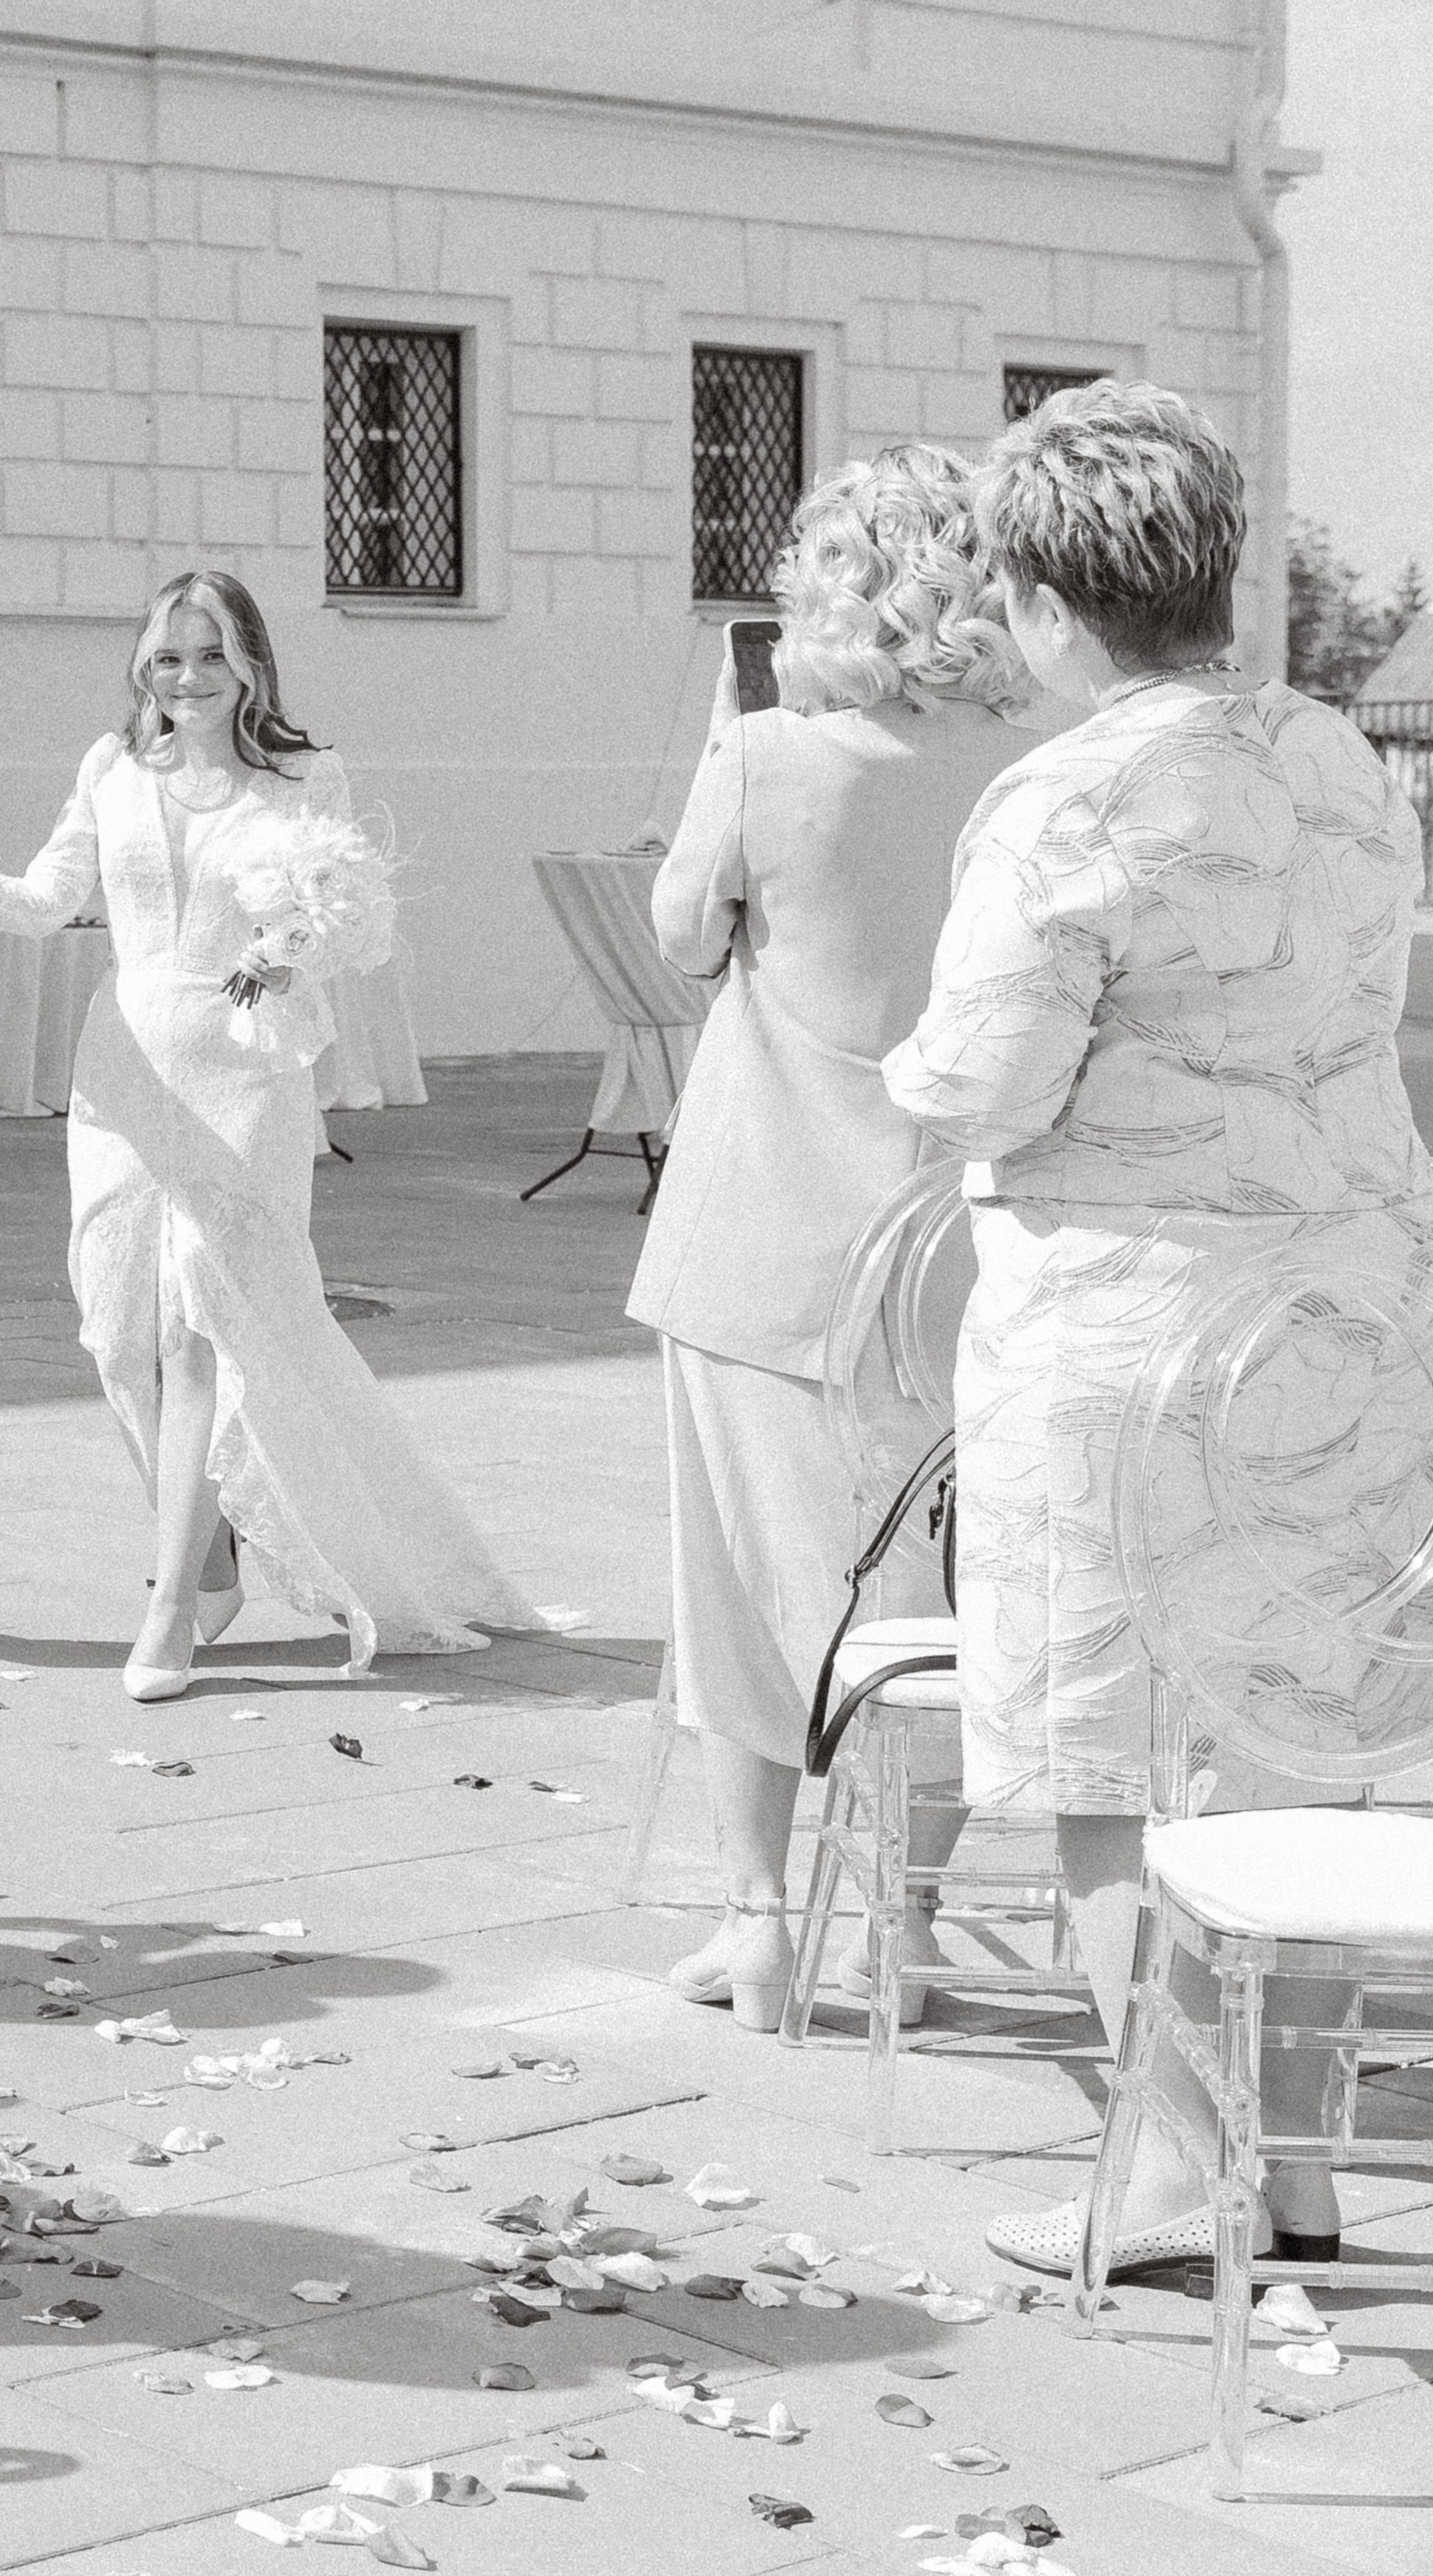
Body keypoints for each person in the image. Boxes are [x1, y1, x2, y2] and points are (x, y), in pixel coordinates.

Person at [884, 380, 1432, 2273]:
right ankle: (1289, 2161)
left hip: (1127, 1325)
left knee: (1106, 1763)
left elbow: (984, 1081)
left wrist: (911, 1069)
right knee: (1281, 1751)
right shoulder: (1342, 758)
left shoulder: (1068, 787)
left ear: (1047, 600)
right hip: (1341, 1312)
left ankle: (1159, 2167)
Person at [0, 569, 535, 1697]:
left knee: (201, 1331)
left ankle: (169, 1602)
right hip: (124, 1067)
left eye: (209, 654)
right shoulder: (111, 765)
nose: (185, 678)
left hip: (244, 1069)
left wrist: (289, 950)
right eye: (165, 657)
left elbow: (339, 919)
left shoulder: (306, 777)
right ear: (141, 667)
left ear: (251, 663)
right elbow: (41, 900)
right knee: (117, 1331)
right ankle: (213, 1550)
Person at [626, 446, 1037, 2029]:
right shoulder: (1036, 753)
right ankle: (913, 1927)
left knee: (737, 1580)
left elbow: (680, 937)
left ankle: (757, 1920)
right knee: (944, 1594)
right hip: (957, 1244)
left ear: (826, 580)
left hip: (761, 1233)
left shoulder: (772, 754)